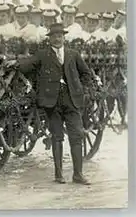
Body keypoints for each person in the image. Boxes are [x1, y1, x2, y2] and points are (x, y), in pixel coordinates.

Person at [5, 23, 93, 185]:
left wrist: (82, 90)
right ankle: (58, 175)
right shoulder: (43, 55)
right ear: (49, 39)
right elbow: (28, 63)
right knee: (57, 137)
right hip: (52, 102)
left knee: (76, 136)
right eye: (54, 36)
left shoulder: (73, 54)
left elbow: (86, 73)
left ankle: (78, 175)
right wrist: (15, 63)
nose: (57, 39)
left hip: (72, 100)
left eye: (59, 36)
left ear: (63, 37)